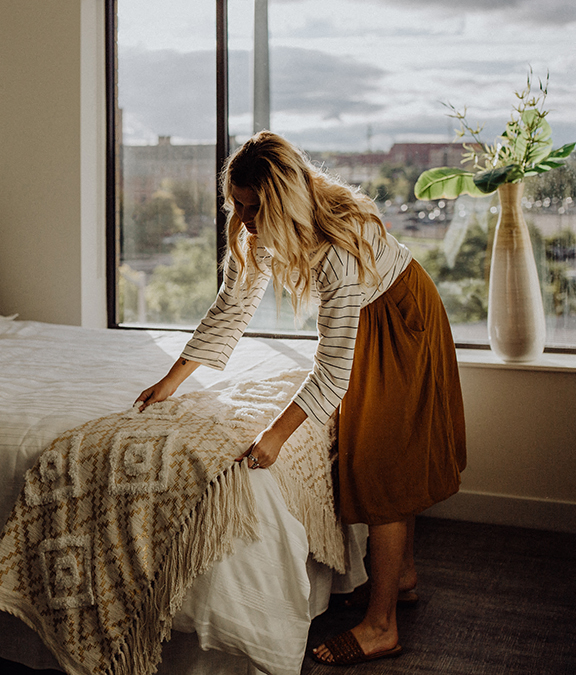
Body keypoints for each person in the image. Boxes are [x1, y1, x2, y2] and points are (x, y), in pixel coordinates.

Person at [135, 130, 466, 666]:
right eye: (235, 205)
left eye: (251, 207)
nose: (242, 220)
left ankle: (382, 626)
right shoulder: (263, 228)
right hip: (378, 312)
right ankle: (399, 578)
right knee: (379, 456)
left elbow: (331, 370)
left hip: (401, 320)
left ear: (281, 200)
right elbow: (232, 307)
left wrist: (276, 436)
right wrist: (174, 379)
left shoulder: (337, 248)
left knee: (384, 466)